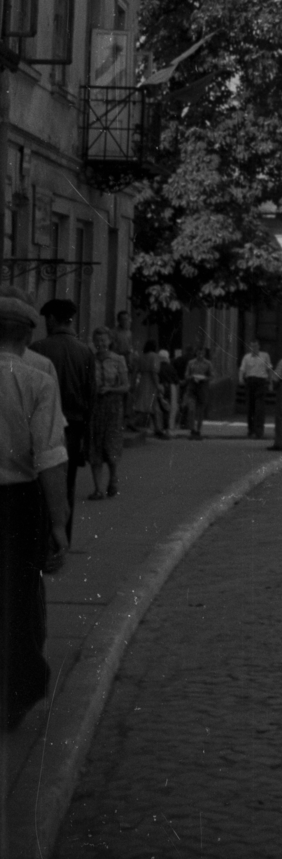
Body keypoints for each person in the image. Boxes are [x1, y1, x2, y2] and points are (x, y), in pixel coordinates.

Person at [0, 290, 69, 732]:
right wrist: (59, 523)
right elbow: (49, 457)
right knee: (17, 597)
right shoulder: (38, 380)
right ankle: (13, 697)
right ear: (26, 338)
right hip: (16, 503)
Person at [34, 297, 95, 545]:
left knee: (41, 483)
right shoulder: (85, 352)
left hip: (45, 425)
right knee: (66, 483)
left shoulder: (38, 349)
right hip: (75, 427)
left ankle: (44, 537)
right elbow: (91, 397)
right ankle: (63, 539)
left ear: (50, 319)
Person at [87, 328, 130, 498]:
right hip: (95, 408)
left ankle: (113, 479)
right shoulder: (90, 359)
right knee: (94, 447)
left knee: (111, 446)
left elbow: (126, 386)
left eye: (103, 341)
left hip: (113, 409)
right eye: (97, 341)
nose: (100, 344)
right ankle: (98, 489)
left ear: (110, 341)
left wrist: (111, 389)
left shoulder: (118, 360)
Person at [238, 339, 273, 439]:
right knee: (250, 407)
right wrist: (241, 378)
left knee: (260, 407)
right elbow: (242, 369)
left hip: (261, 382)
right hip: (250, 381)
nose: (254, 348)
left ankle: (259, 430)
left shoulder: (265, 356)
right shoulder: (247, 357)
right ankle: (251, 429)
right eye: (252, 346)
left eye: (256, 346)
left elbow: (269, 369)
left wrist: (270, 383)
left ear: (259, 346)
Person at [182, 344, 213, 440]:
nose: (200, 355)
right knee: (191, 409)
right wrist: (191, 377)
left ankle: (198, 431)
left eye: (202, 353)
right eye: (199, 353)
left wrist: (205, 378)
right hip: (192, 388)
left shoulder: (208, 364)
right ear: (196, 353)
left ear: (204, 354)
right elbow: (186, 375)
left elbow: (211, 376)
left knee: (200, 411)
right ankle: (192, 430)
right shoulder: (191, 363)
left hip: (202, 388)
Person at [132, 340, 161, 433]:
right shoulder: (155, 356)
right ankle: (132, 422)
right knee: (148, 406)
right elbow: (154, 372)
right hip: (150, 383)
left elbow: (136, 371)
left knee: (151, 406)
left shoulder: (141, 357)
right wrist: (158, 385)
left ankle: (157, 428)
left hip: (142, 381)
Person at [155, 349, 174, 437]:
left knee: (157, 409)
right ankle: (166, 429)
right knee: (166, 409)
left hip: (157, 387)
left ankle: (158, 428)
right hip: (167, 388)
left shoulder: (157, 366)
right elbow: (175, 379)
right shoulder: (170, 367)